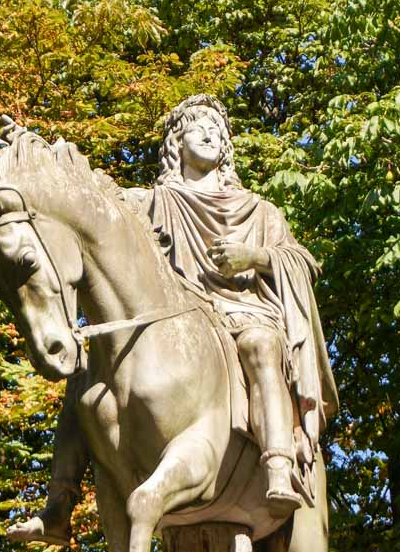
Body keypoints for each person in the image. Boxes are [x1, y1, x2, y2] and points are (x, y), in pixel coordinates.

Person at [130, 94, 337, 516]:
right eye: (198, 126)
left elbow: (303, 263)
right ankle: (62, 497)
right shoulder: (152, 204)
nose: (210, 133)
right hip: (179, 320)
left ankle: (278, 462)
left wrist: (255, 257)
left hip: (244, 312)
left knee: (262, 343)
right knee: (89, 373)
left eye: (218, 130)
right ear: (176, 142)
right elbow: (95, 210)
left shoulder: (260, 211)